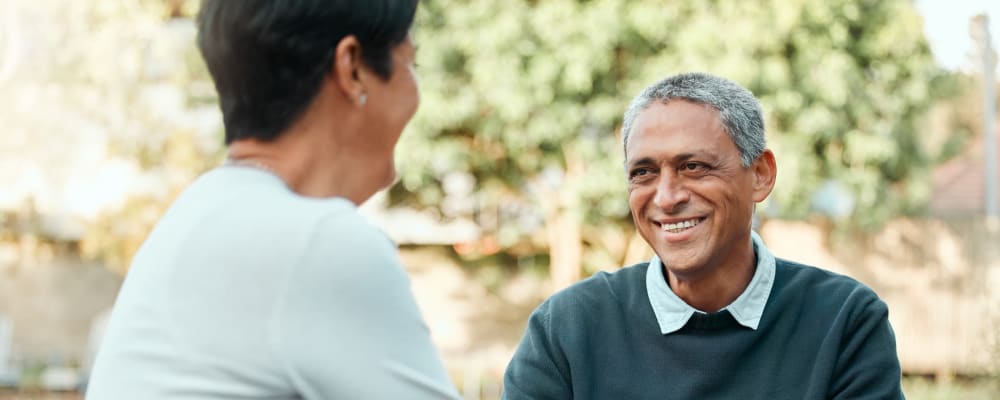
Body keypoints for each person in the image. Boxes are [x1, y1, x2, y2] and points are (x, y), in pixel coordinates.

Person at [86, 1, 461, 399]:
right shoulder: (318, 242)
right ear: (352, 69)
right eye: (411, 65)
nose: (417, 95)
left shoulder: (196, 213)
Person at [502, 73, 904, 399]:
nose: (666, 196)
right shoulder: (567, 330)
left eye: (693, 166)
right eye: (643, 172)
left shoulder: (844, 322)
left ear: (760, 175)